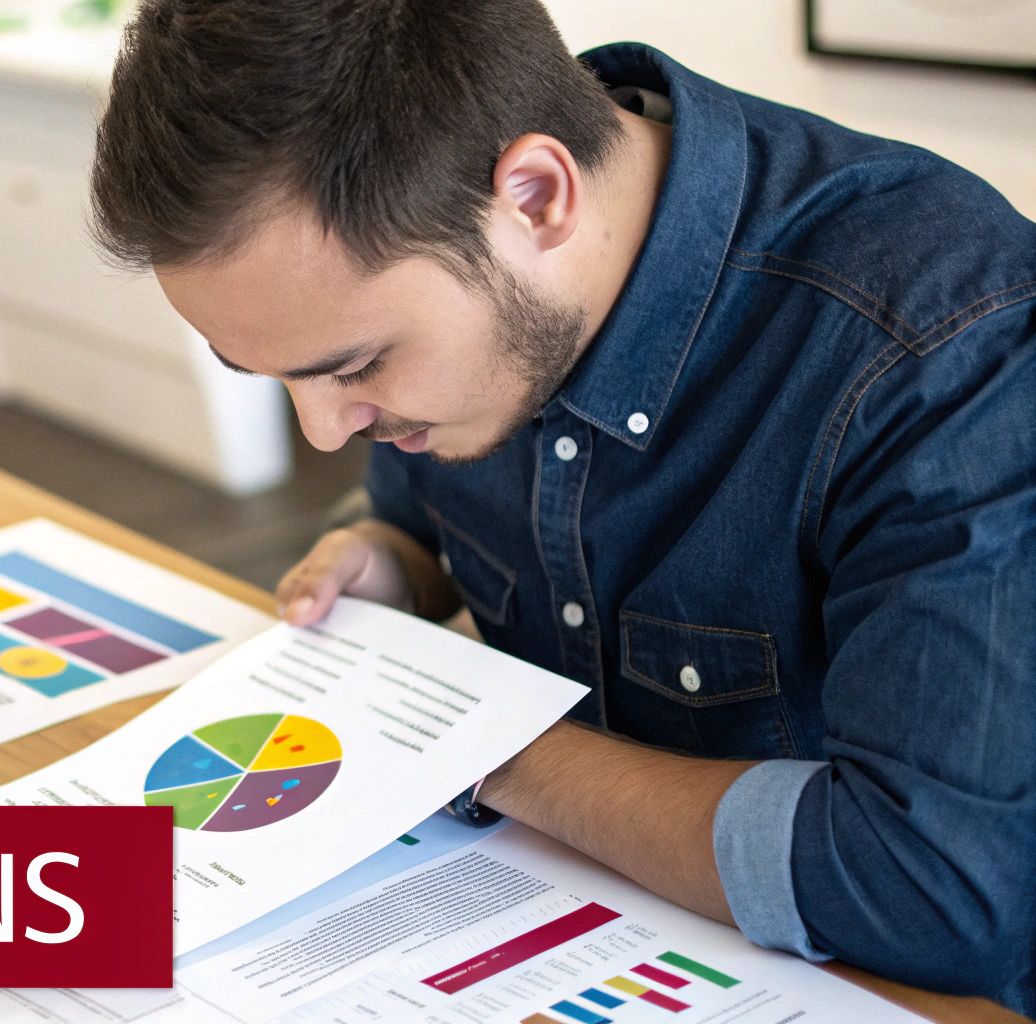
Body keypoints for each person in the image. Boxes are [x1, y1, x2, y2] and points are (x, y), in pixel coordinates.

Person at [88, 0, 1036, 1012]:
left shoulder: (940, 345)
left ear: (535, 196)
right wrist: (385, 558)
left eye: (357, 363)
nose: (321, 432)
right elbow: (420, 522)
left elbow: (937, 893)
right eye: (260, 372)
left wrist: (475, 743)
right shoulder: (464, 290)